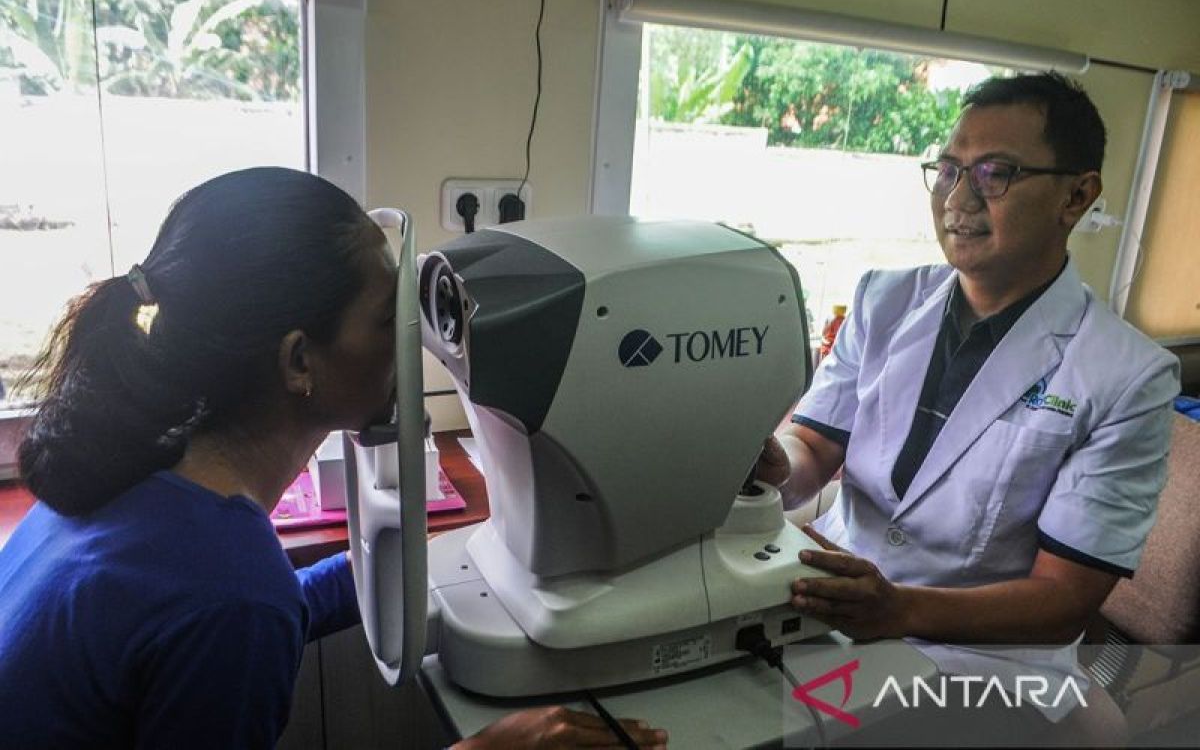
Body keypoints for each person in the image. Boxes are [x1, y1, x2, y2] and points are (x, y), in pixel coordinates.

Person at [0, 168, 668, 750]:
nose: (411, 345)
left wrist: (389, 562)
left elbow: (241, 610)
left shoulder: (132, 471)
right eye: (387, 320)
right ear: (299, 362)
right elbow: (234, 613)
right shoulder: (231, 598)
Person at [757, 73, 1180, 744]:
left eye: (994, 174)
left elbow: (1061, 600)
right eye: (948, 170)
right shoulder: (882, 300)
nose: (956, 199)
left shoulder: (1127, 375)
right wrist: (768, 462)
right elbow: (812, 452)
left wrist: (898, 608)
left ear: (1077, 195)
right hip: (833, 606)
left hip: (985, 657)